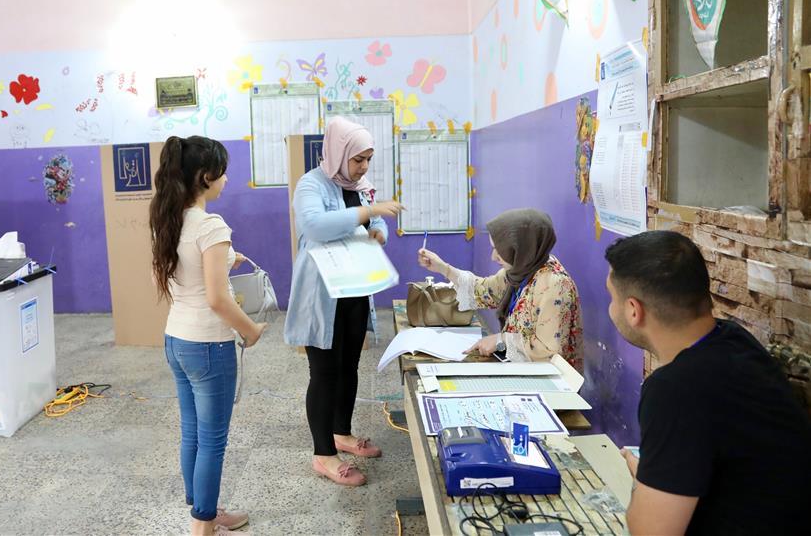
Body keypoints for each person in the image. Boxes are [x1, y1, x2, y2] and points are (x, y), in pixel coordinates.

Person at [605, 230, 811, 536]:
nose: (611, 309)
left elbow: (650, 531)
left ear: (634, 310)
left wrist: (642, 476)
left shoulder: (675, 389)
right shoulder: (733, 338)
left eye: (612, 298)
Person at [149, 135, 267, 536]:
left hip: (176, 340)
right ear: (205, 176)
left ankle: (204, 509)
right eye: (222, 171)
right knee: (213, 440)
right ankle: (203, 526)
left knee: (192, 433)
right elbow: (217, 299)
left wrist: (223, 260)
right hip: (209, 346)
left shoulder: (169, 218)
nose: (227, 178)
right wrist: (251, 331)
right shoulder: (212, 225)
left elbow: (181, 277)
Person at [284, 116, 403, 487]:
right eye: (358, 159)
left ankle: (342, 433)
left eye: (368, 158)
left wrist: (378, 231)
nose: (364, 167)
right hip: (322, 293)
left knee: (350, 365)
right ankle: (324, 454)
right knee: (324, 372)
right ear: (339, 153)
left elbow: (374, 226)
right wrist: (370, 213)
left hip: (354, 289)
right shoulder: (310, 184)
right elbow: (316, 226)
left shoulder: (362, 186)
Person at [418, 208, 583, 370]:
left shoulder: (555, 285)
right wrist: (442, 268)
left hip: (552, 384)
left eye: (500, 250)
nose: (493, 256)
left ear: (523, 247)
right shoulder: (521, 269)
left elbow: (548, 353)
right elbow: (484, 290)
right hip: (520, 370)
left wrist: (501, 339)